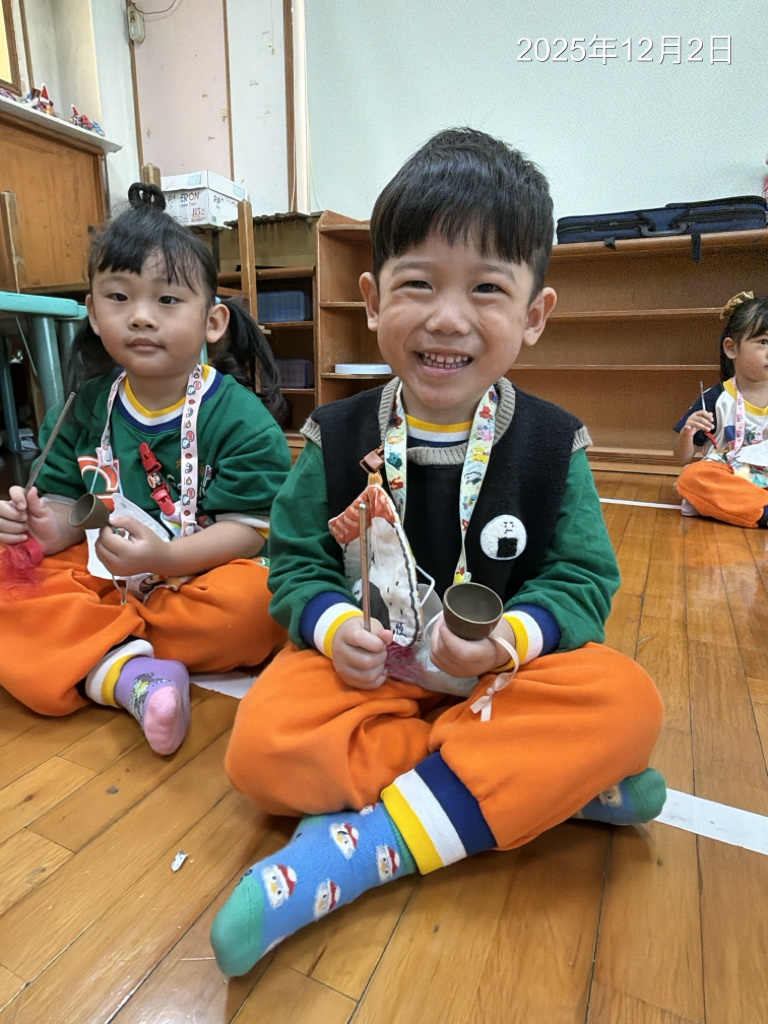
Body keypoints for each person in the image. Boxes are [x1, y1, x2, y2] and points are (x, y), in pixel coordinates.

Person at [210, 128, 666, 977]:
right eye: (418, 283)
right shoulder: (334, 433)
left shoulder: (552, 444)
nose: (447, 317)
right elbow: (293, 564)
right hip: (371, 677)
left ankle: (365, 845)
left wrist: (510, 639)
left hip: (499, 681)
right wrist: (332, 626)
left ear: (534, 315)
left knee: (627, 701)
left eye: (487, 289)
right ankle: (527, 781)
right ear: (373, 298)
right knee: (258, 747)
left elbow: (582, 579)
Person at [0, 184, 291, 755]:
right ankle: (136, 674)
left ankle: (96, 655)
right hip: (106, 577)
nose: (139, 317)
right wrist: (37, 525)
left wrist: (164, 558)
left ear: (212, 321)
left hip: (202, 577)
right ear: (93, 312)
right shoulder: (80, 409)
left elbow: (250, 531)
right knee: (11, 576)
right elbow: (63, 508)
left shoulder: (242, 420)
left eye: (167, 300)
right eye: (118, 297)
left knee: (259, 607)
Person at [674, 291, 768, 527]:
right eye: (763, 342)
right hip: (730, 478)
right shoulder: (716, 399)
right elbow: (681, 457)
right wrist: (688, 433)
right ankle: (760, 511)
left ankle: (750, 509)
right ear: (731, 348)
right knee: (692, 477)